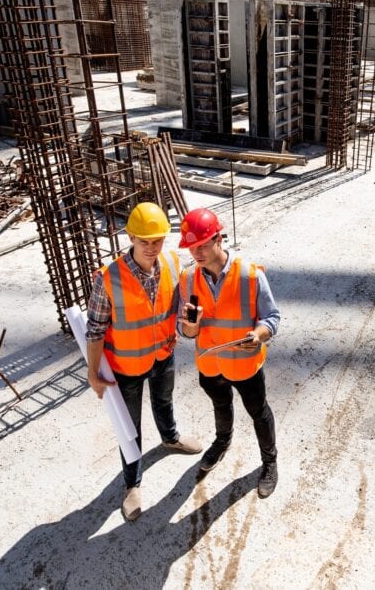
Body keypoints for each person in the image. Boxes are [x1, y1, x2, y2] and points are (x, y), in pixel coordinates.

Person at [85, 202, 202, 521]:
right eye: (144, 240)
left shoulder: (172, 261)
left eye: (158, 240)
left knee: (164, 402)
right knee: (130, 428)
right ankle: (132, 485)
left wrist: (189, 327)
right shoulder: (108, 278)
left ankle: (170, 437)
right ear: (131, 238)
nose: (152, 247)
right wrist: (93, 374)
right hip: (126, 367)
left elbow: (181, 310)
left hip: (163, 354)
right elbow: (94, 330)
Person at [177, 208, 281, 498]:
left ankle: (269, 462)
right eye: (191, 247)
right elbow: (183, 330)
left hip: (245, 365)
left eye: (202, 245)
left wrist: (259, 335)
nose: (196, 253)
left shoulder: (249, 275)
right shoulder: (187, 279)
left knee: (258, 412)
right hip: (210, 365)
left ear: (219, 239)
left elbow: (272, 317)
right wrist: (191, 326)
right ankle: (222, 442)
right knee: (220, 406)